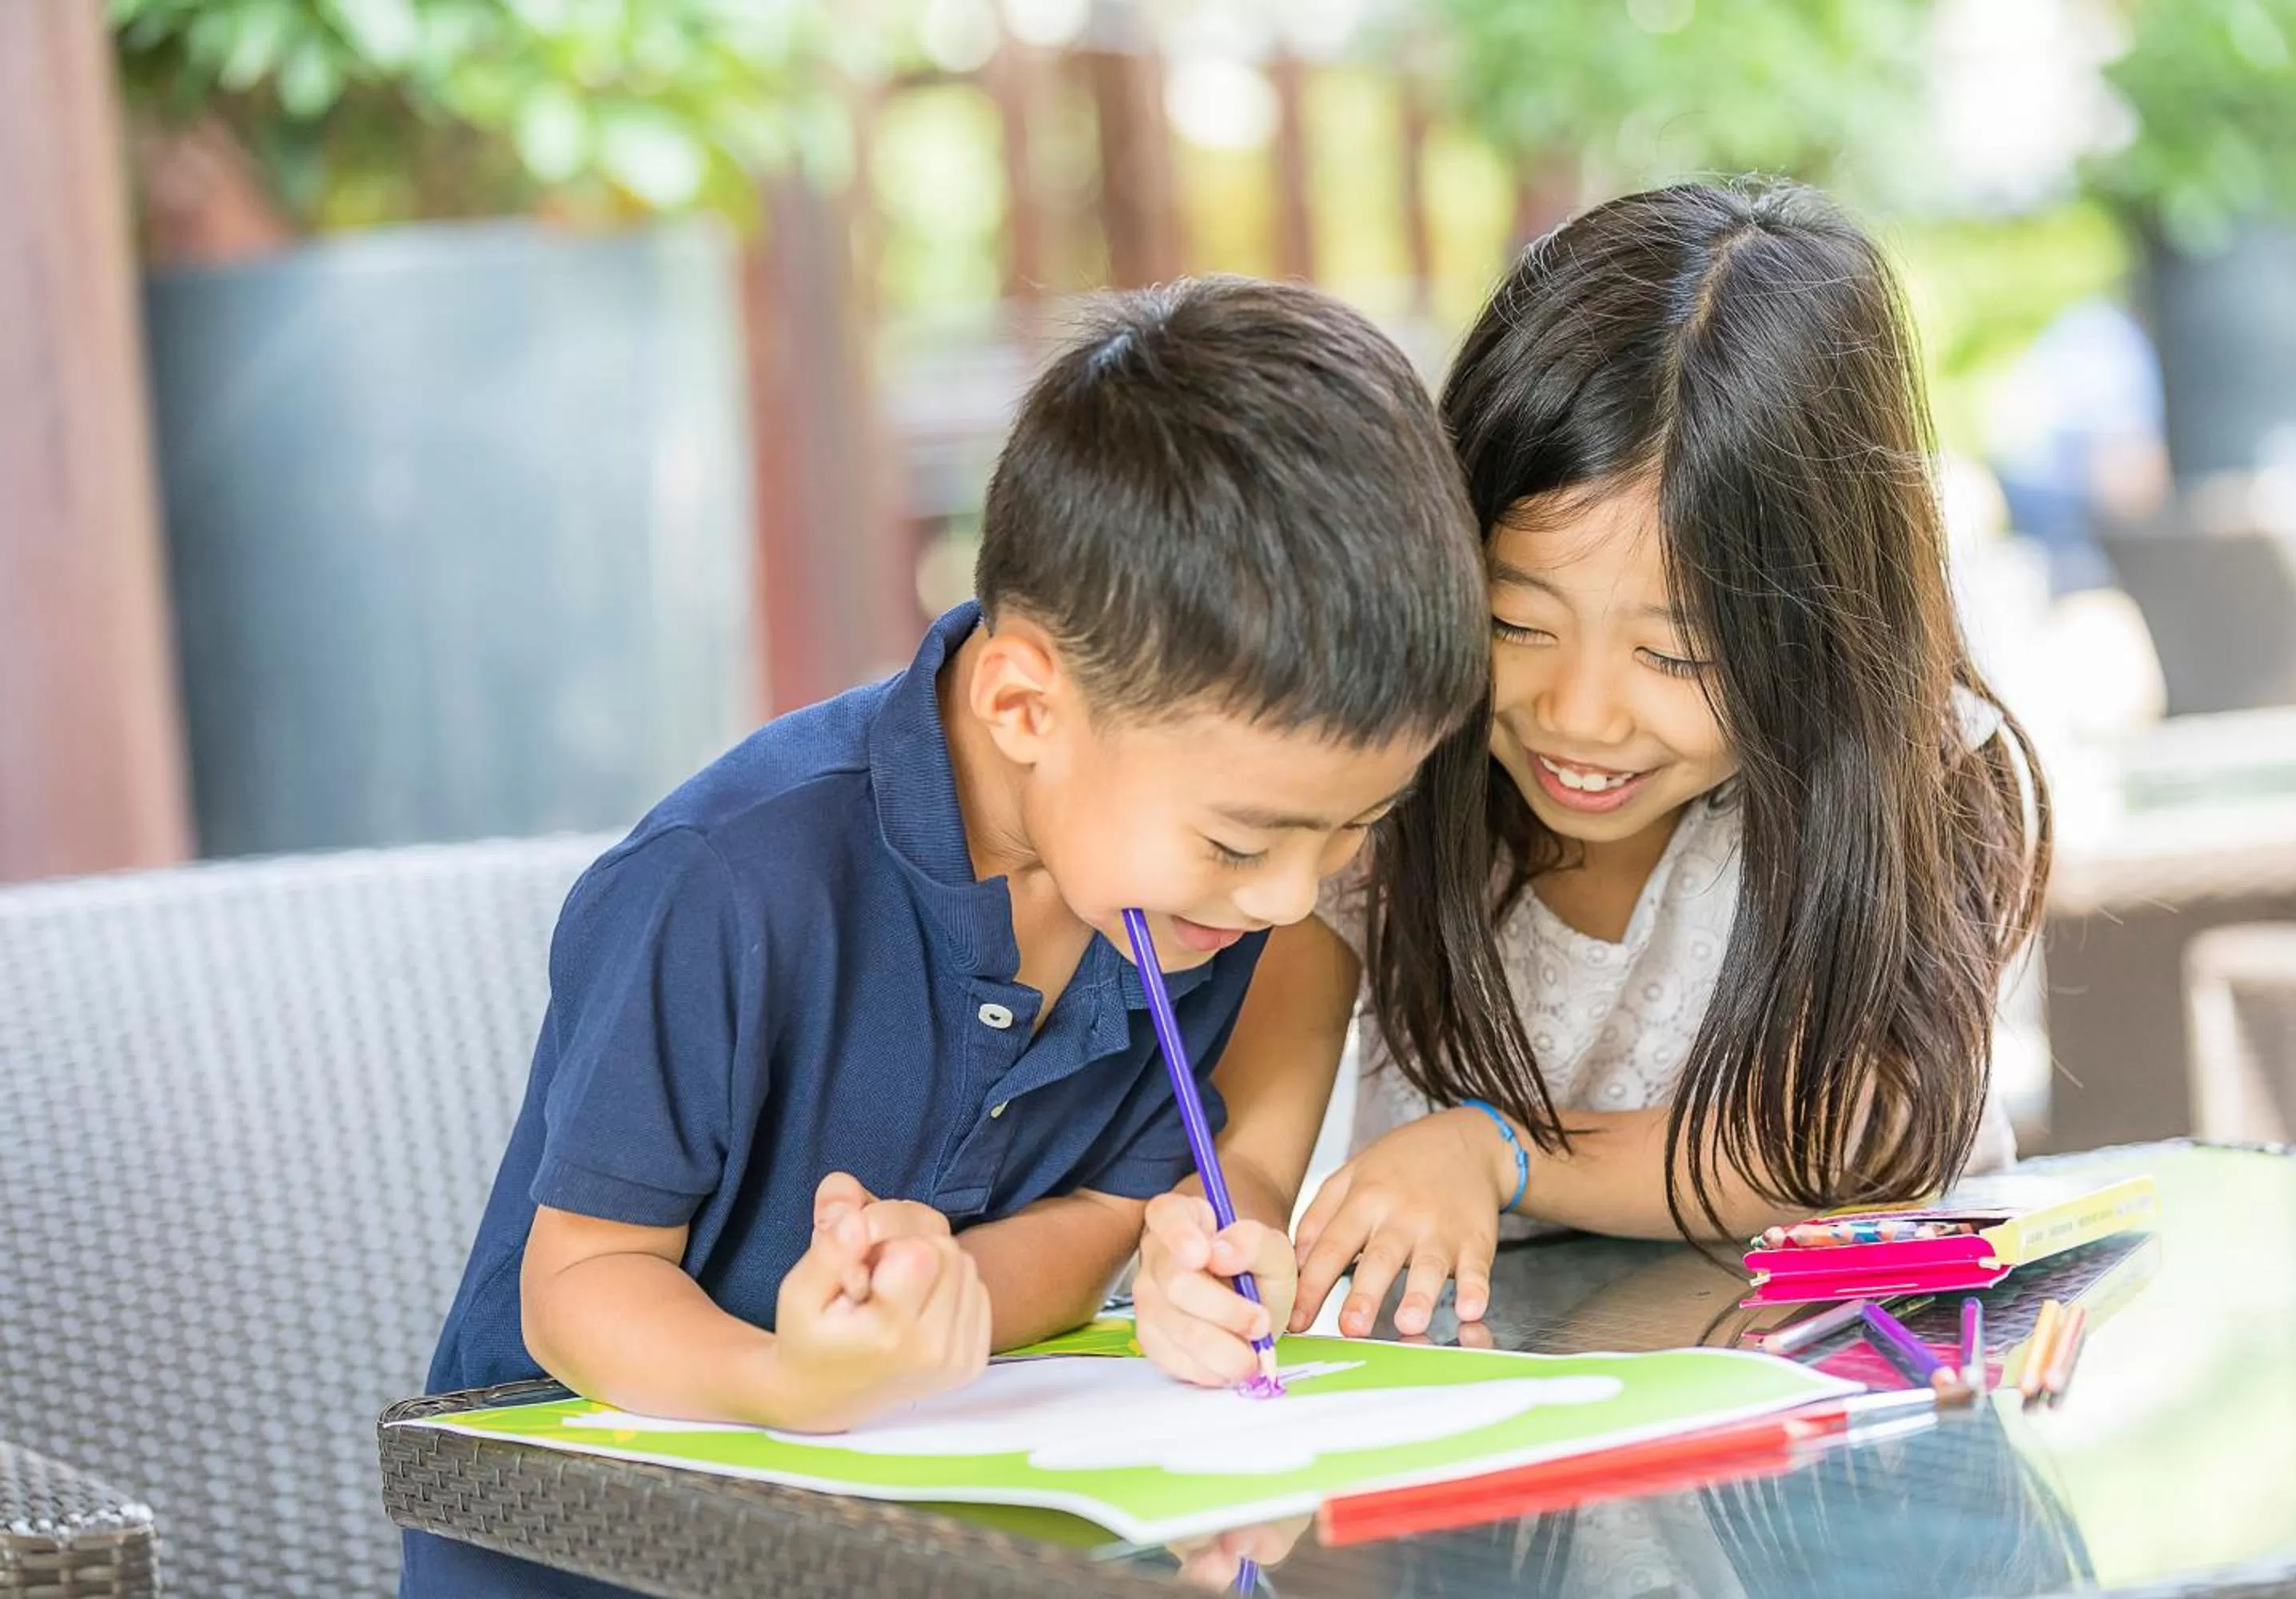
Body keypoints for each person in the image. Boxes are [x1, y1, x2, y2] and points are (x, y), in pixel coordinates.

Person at [400, 274, 1490, 1596]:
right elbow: (578, 1283)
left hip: (914, 1543)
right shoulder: (729, 888)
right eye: (1246, 842)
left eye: (1355, 829)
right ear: (1027, 703)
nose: (1285, 898)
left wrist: (952, 1290)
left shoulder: (1170, 907)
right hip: (596, 1558)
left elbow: (1098, 1212)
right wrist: (788, 1379)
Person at [1135, 182, 2050, 1386]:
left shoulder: (1918, 771)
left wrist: (1500, 1151)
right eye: (1517, 623)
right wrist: (1219, 1240)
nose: (1580, 714)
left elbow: (1855, 1134)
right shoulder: (1392, 784)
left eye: (1673, 654)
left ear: (1826, 638)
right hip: (1516, 1424)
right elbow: (1258, 1117)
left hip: (1867, 1399)